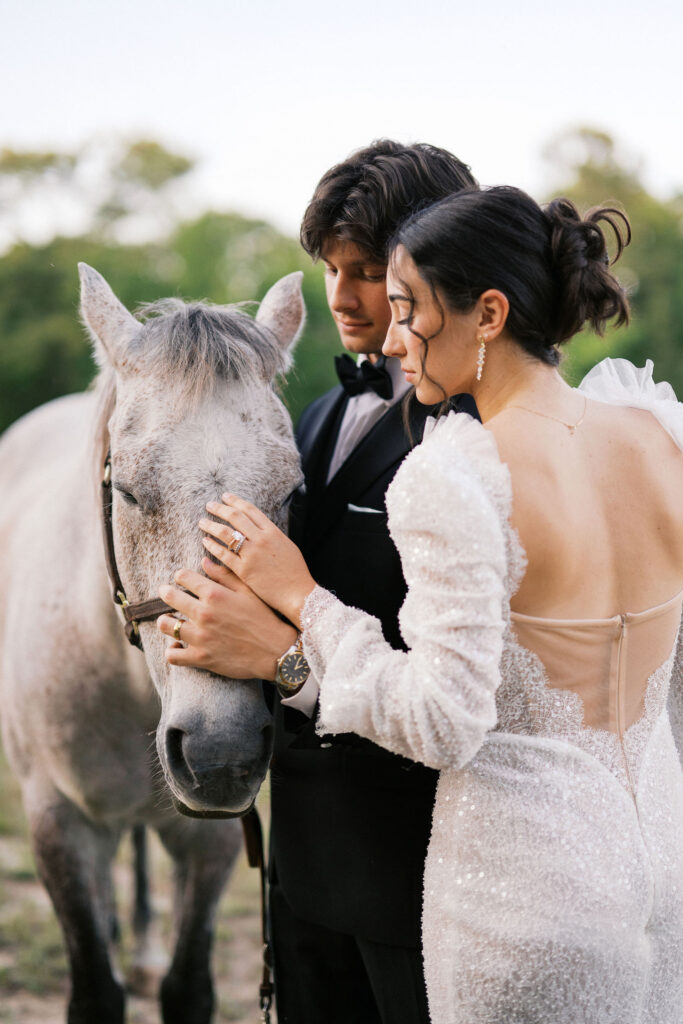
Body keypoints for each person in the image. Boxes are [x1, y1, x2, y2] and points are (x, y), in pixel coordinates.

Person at [159, 185, 682, 1022]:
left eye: (406, 309)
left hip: (520, 903)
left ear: (486, 313)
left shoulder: (455, 475)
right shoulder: (660, 434)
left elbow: (443, 721)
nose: (392, 339)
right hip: (658, 883)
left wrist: (299, 608)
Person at [160, 140, 478, 1024]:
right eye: (331, 268)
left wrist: (288, 655)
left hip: (414, 866)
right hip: (300, 860)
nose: (340, 296)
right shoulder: (316, 411)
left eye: (369, 269)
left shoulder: (477, 436)